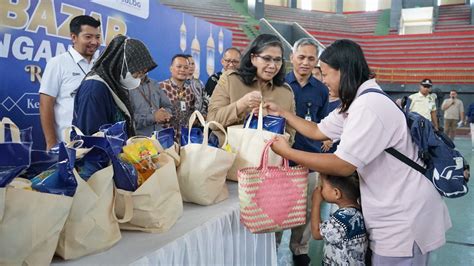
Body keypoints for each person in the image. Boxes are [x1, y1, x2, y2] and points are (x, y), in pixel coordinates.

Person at [265, 39, 451, 265]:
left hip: (403, 215)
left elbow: (343, 164)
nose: (323, 81)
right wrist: (283, 113)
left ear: (343, 71)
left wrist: (288, 152)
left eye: (325, 73)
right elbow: (318, 130)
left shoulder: (369, 105)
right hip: (388, 208)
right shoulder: (356, 101)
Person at [282, 37, 328, 266]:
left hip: (309, 159)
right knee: (278, 206)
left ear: (316, 61)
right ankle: (272, 246)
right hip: (280, 159)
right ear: (292, 58)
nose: (306, 62)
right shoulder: (278, 83)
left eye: (311, 58)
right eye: (301, 57)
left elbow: (321, 124)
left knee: (307, 208)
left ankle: (299, 249)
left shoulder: (321, 90)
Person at [207, 34, 295, 143]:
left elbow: (290, 134)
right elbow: (212, 122)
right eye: (266, 59)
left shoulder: (286, 92)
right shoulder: (231, 80)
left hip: (268, 158)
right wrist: (241, 104)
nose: (272, 65)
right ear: (253, 58)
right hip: (229, 156)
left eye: (277, 60)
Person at [73, 35, 157, 136]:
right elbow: (91, 139)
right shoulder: (94, 89)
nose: (140, 77)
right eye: (138, 72)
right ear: (122, 63)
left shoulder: (114, 84)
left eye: (143, 73)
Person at [39, 15, 101, 149]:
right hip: (68, 145)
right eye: (88, 37)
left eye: (97, 37)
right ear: (74, 37)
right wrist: (51, 143)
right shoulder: (58, 63)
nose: (94, 42)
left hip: (97, 143)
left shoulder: (100, 65)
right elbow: (46, 104)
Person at [311, 172, 368, 265]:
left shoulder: (341, 219)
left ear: (336, 193)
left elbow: (317, 233)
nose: (320, 190)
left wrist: (315, 202)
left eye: (323, 186)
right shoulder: (358, 211)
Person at [160, 54, 195, 141]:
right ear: (171, 68)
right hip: (165, 141)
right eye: (179, 66)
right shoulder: (161, 88)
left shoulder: (190, 91)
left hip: (185, 141)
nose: (182, 70)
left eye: (186, 67)